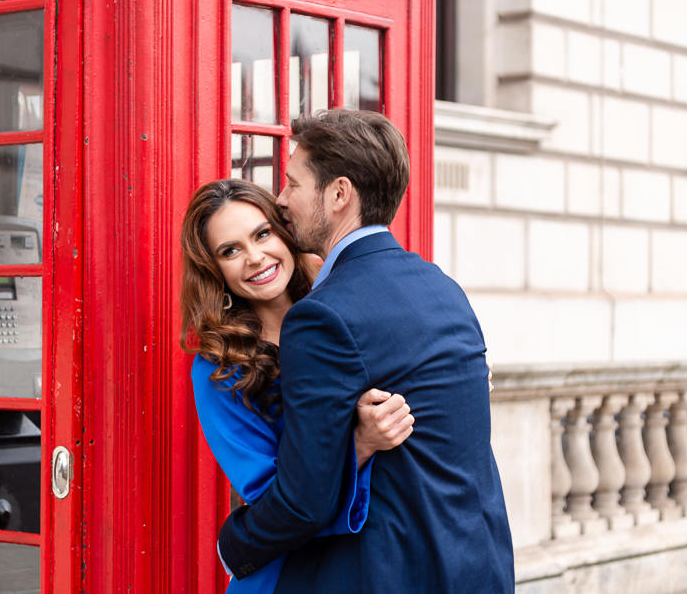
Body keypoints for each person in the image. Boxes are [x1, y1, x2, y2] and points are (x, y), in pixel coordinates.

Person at [216, 109, 515, 593]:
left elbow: (302, 500)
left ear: (338, 194)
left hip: (389, 573)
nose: (281, 198)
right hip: (477, 565)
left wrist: (234, 545)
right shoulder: (443, 288)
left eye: (293, 183)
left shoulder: (321, 316)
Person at [179, 179, 416, 593]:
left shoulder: (348, 308)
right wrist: (359, 444)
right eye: (230, 251)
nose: (254, 257)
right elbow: (277, 498)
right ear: (214, 270)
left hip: (382, 553)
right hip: (292, 572)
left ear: (285, 233)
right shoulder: (220, 370)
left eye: (262, 234)